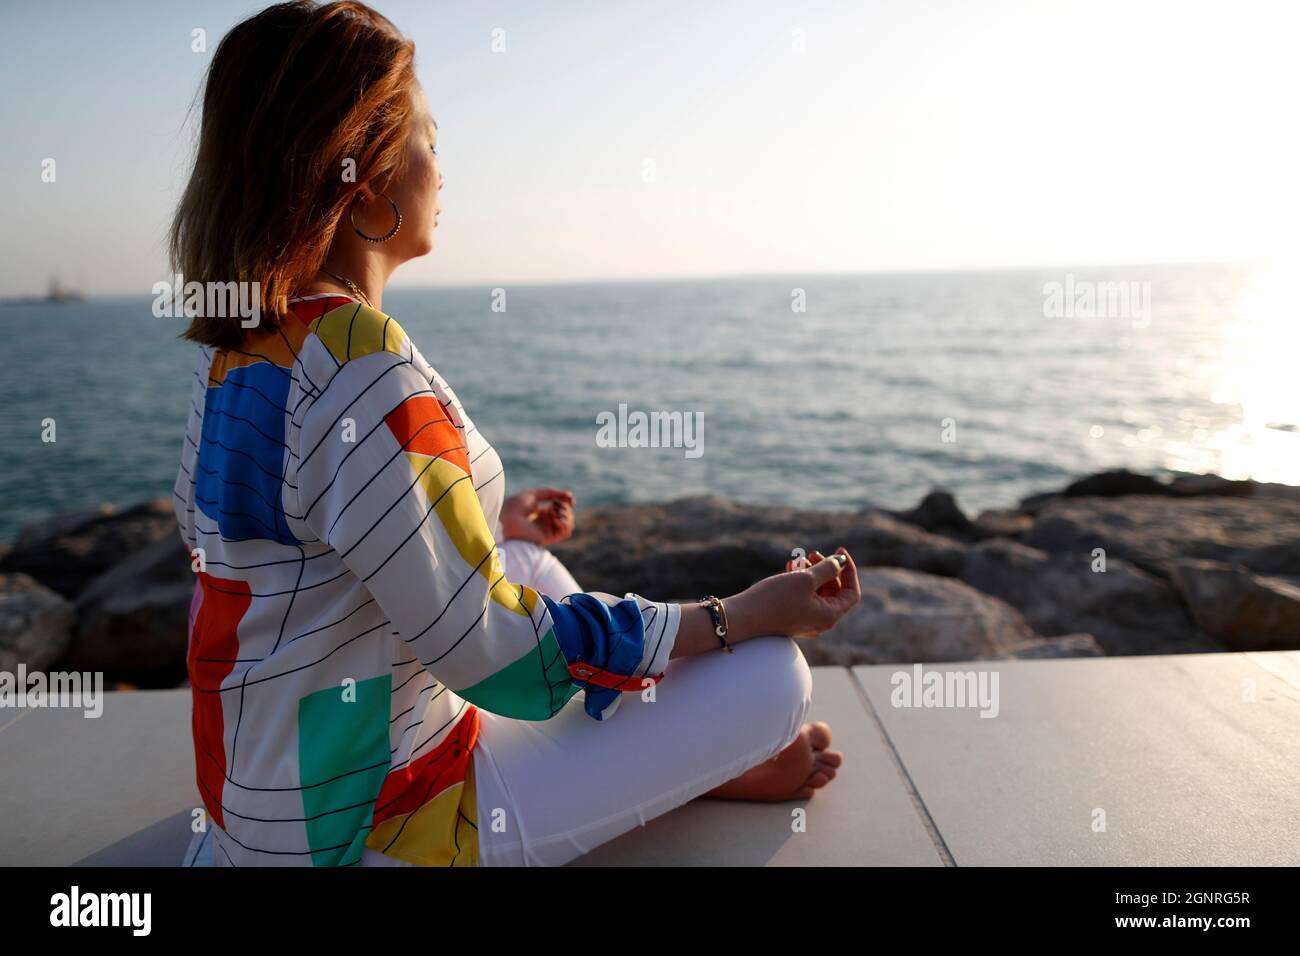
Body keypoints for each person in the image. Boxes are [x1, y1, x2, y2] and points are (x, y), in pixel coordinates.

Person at [170, 0, 860, 868]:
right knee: (773, 678)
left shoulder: (239, 346)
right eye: (429, 138)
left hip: (257, 802)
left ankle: (658, 762)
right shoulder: (361, 360)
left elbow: (274, 554)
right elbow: (496, 661)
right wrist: (736, 616)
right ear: (368, 177)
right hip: (375, 825)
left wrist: (483, 527)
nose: (442, 169)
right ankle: (684, 765)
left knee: (522, 562)